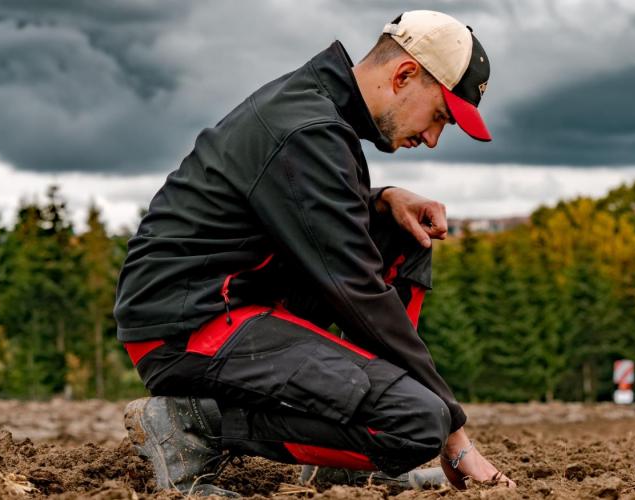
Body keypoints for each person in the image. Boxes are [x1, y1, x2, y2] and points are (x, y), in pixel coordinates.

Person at [114, 10, 514, 496]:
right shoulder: (308, 130)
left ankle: (341, 464)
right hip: (189, 326)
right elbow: (356, 289)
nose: (432, 139)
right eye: (439, 117)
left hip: (235, 299)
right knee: (417, 422)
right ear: (405, 75)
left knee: (407, 234)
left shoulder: (319, 111)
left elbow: (295, 203)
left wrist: (380, 200)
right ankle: (193, 423)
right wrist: (455, 432)